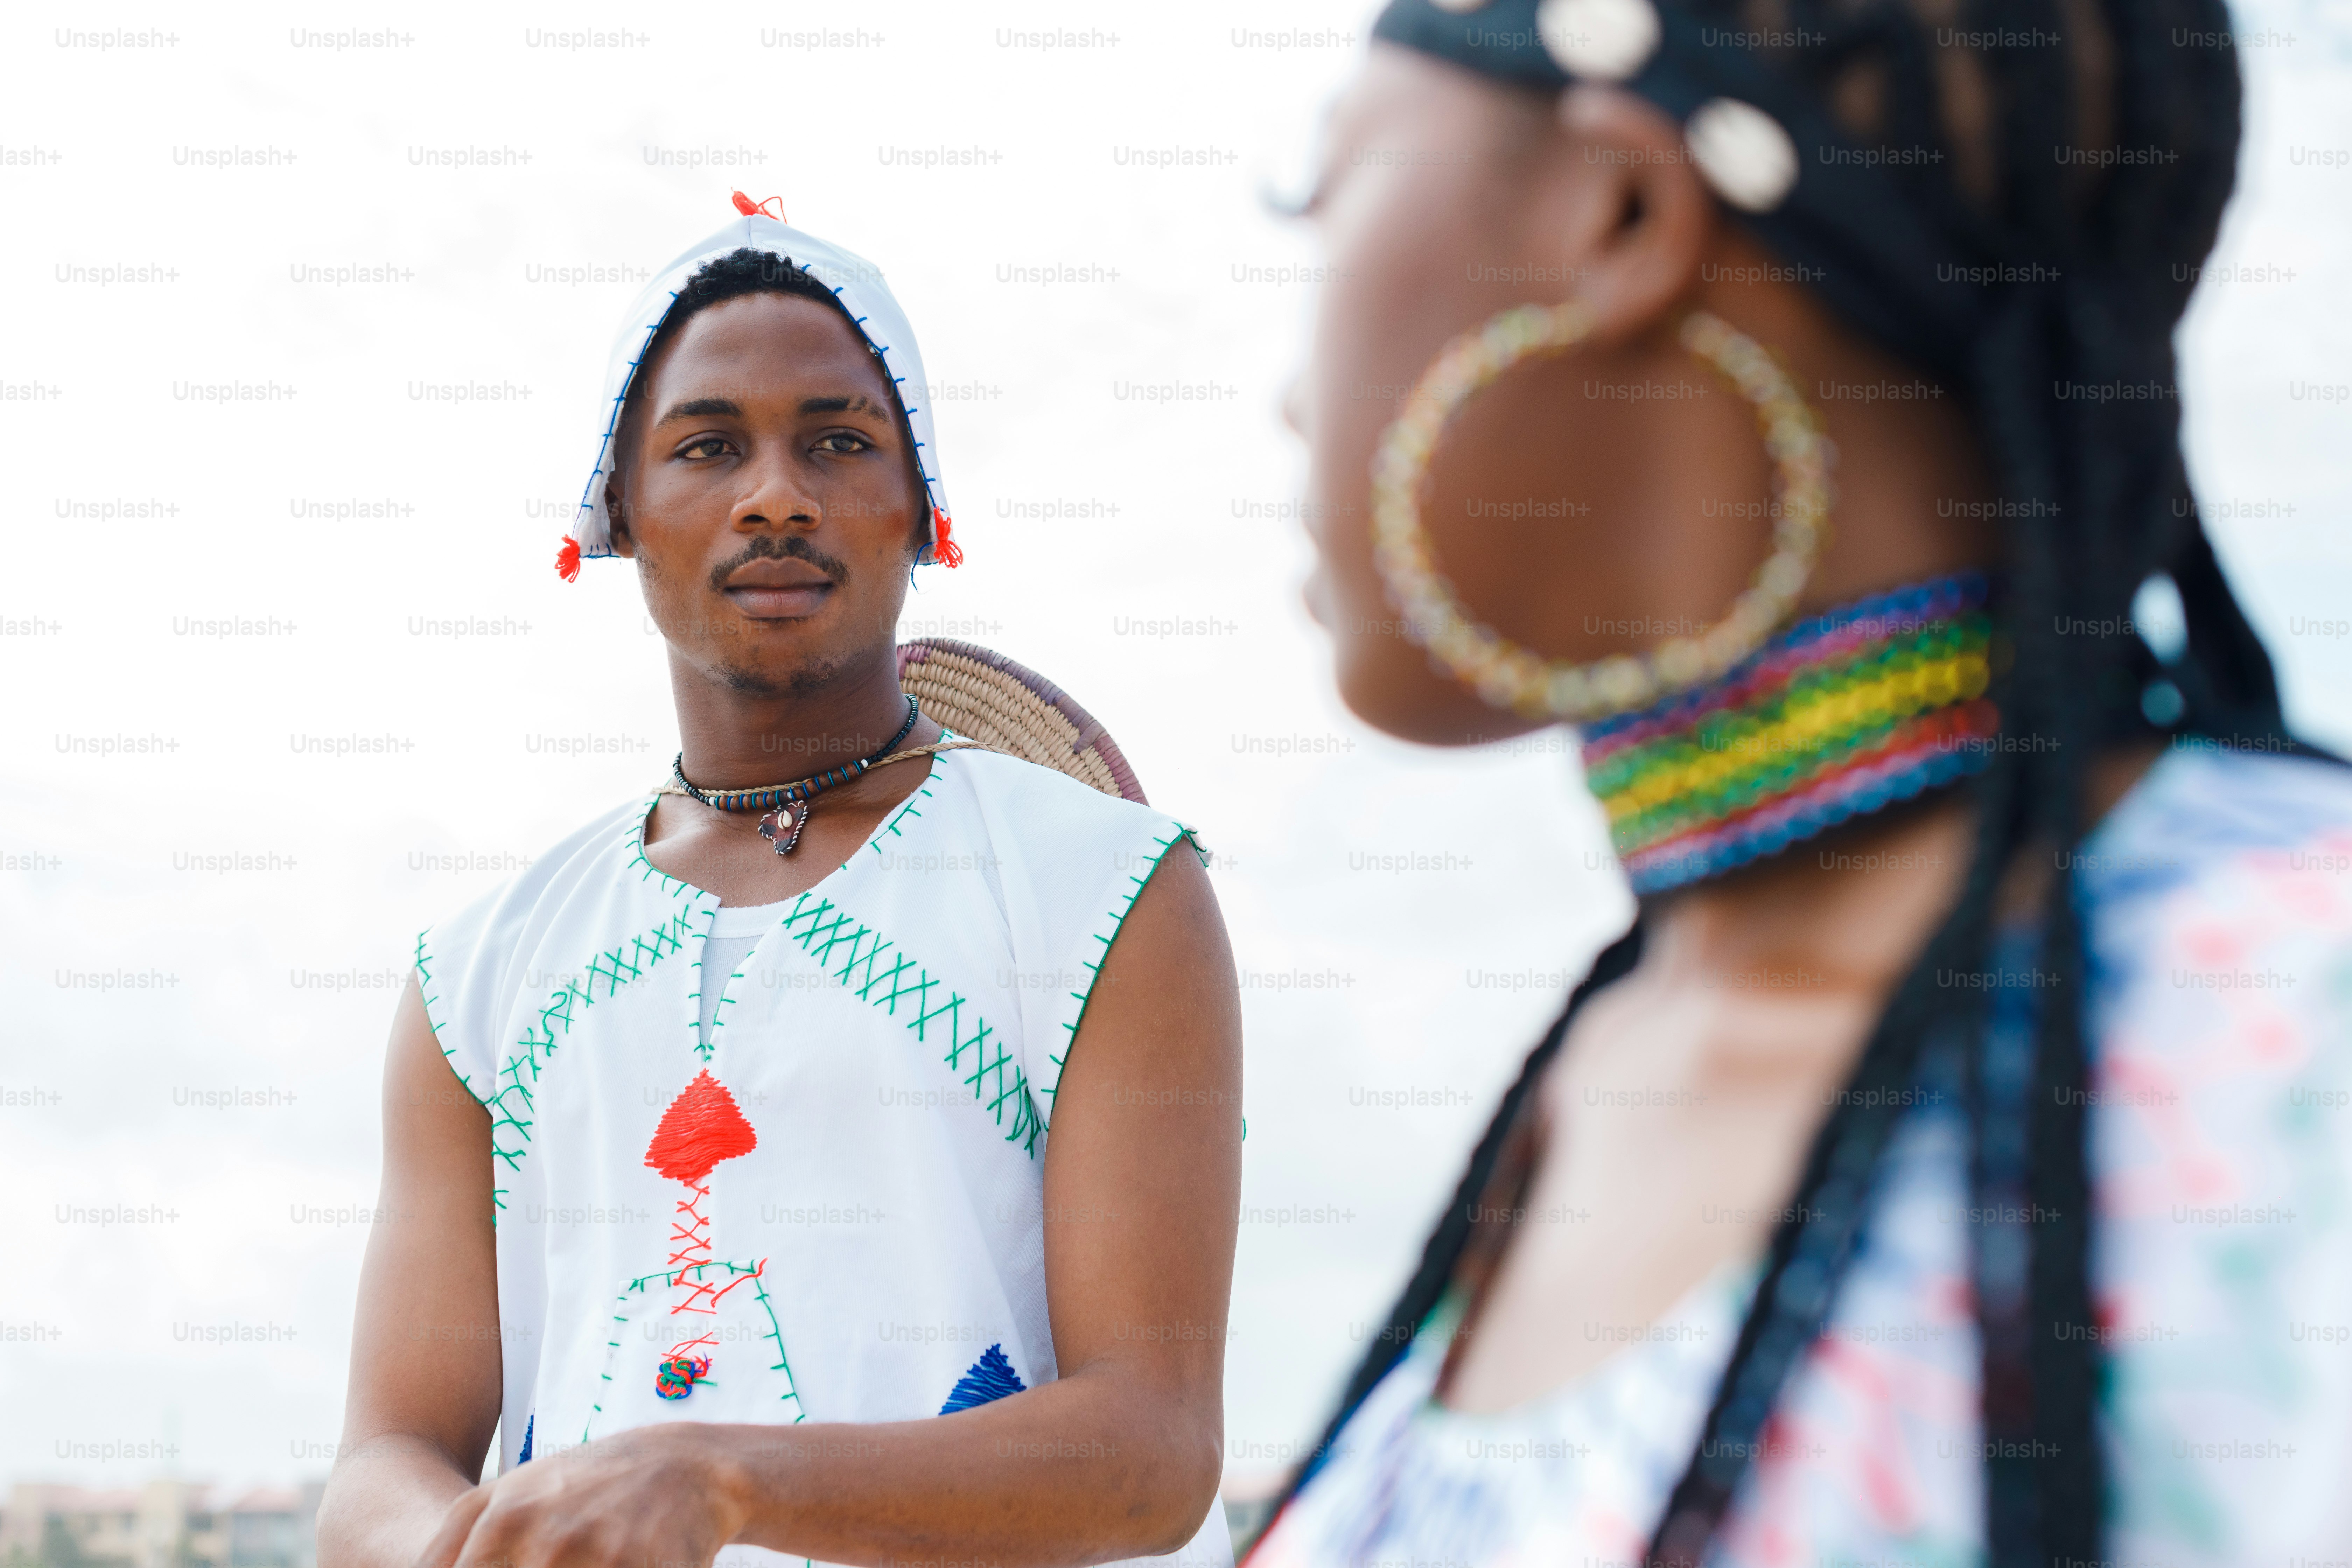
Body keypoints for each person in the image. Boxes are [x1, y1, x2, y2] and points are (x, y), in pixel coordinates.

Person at [1248, 0, 2352, 1563]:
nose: (1285, 394)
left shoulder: (2302, 1021)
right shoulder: (1604, 1065)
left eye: (1318, 199)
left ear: (1621, 214)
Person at [315, 198, 1242, 1568]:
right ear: (618, 509)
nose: (775, 493)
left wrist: (723, 1477)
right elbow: (383, 1461)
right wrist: (464, 1548)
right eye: (706, 446)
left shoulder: (1113, 891)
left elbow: (1151, 1455)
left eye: (839, 441)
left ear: (923, 507)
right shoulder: (479, 969)